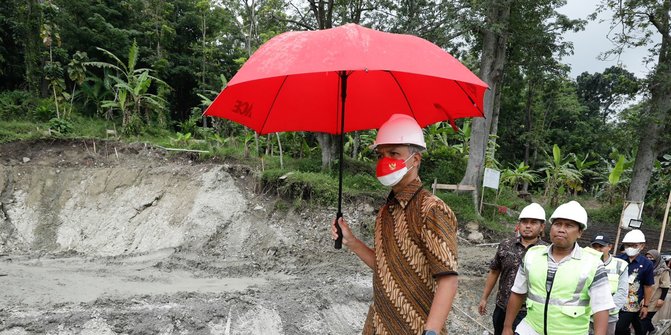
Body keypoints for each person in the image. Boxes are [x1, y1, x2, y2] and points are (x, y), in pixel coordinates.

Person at [331, 114, 458, 335]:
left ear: (416, 160)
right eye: (381, 154)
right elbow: (383, 266)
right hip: (379, 325)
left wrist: (432, 331)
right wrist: (351, 241)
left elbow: (448, 278)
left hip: (416, 328)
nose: (385, 160)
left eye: (394, 153)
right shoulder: (385, 212)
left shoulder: (431, 209)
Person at [503, 200, 615, 335]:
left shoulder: (592, 263)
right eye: (557, 224)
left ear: (580, 232)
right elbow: (518, 292)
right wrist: (507, 327)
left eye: (569, 225)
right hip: (530, 329)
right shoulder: (532, 256)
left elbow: (601, 307)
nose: (561, 229)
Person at [478, 203, 548, 335]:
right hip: (501, 307)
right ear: (519, 224)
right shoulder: (506, 245)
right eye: (524, 222)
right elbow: (494, 271)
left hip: (528, 313)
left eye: (533, 222)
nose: (528, 226)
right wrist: (484, 298)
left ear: (542, 227)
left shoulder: (546, 252)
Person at [615, 229, 655, 335]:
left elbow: (648, 286)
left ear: (642, 246)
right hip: (614, 301)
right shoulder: (617, 260)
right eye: (628, 245)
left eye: (634, 245)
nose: (630, 248)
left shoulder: (647, 264)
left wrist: (646, 306)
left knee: (620, 328)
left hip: (632, 304)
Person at [589, 233, 629, 335]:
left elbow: (622, 292)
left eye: (601, 246)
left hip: (609, 316)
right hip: (586, 315)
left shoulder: (620, 265)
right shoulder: (585, 263)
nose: (598, 250)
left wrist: (606, 310)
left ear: (610, 247)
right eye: (595, 247)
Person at [641, 250, 670, 334]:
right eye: (647, 257)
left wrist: (661, 299)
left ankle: (650, 330)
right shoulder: (645, 268)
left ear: (657, 259)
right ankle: (653, 330)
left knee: (645, 319)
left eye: (651, 258)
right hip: (644, 297)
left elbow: (665, 285)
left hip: (655, 298)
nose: (649, 259)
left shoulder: (663, 270)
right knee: (642, 319)